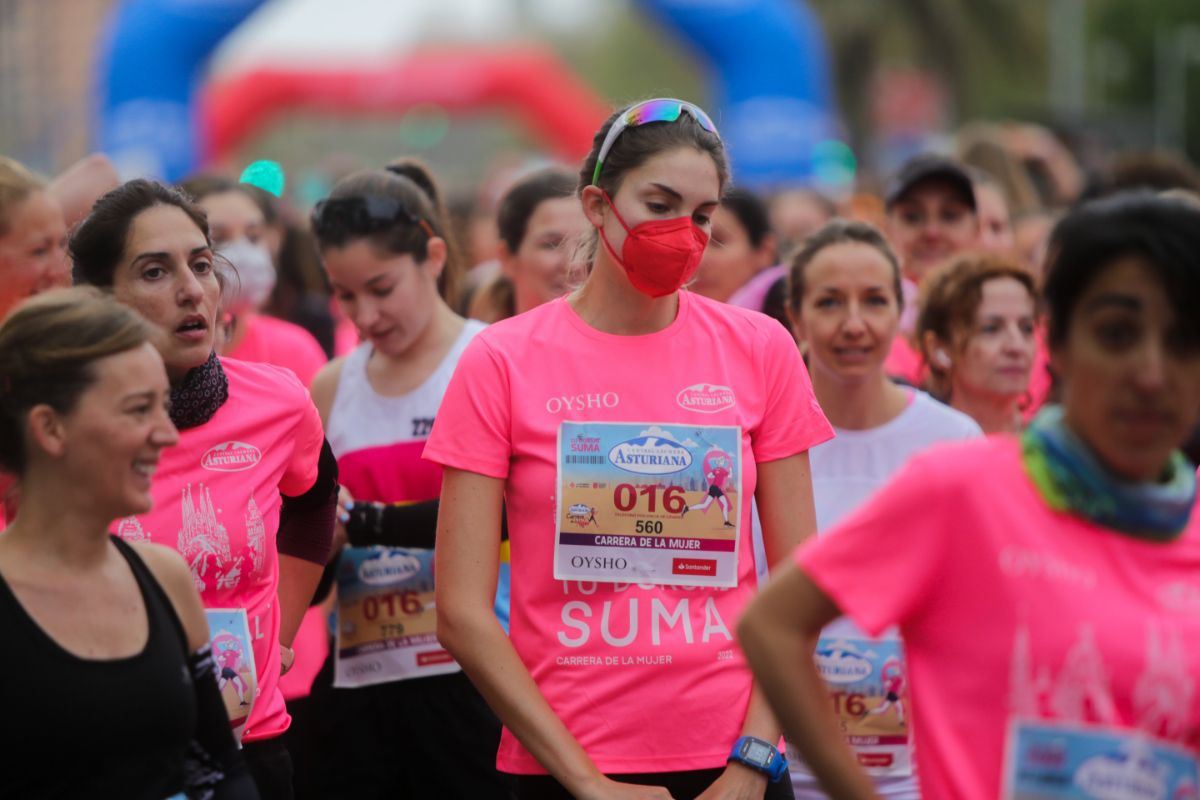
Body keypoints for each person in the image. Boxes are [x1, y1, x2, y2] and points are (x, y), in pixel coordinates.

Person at [425, 97, 833, 799]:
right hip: (567, 765)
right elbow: (460, 611)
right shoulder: (501, 360)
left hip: (735, 761)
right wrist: (586, 781)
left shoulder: (761, 348)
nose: (684, 233)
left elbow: (804, 587)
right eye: (660, 203)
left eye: (703, 216)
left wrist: (755, 758)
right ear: (596, 204)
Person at [739, 192, 1200, 799]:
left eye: (1185, 339)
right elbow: (772, 625)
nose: (1150, 373)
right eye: (1116, 333)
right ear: (1055, 343)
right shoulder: (963, 483)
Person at [71, 179, 338, 800]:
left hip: (253, 746)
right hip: (113, 761)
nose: (193, 290)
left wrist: (284, 634)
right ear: (99, 297)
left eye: (200, 264)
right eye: (155, 272)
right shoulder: (54, 422)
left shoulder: (278, 401)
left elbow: (315, 499)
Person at [298, 163, 509, 798]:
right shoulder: (333, 385)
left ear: (434, 257)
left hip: (479, 683)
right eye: (345, 294)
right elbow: (311, 572)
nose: (365, 314)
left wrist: (361, 522)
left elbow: (514, 518)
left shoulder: (492, 358)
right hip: (363, 682)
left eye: (381, 288)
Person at [0, 287, 257, 798]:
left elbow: (219, 768)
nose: (166, 434)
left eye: (163, 406)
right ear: (49, 428)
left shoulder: (163, 576)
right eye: (139, 410)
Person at [781, 219, 981, 798]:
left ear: (901, 310)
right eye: (828, 302)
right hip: (781, 771)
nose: (854, 324)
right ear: (795, 315)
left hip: (914, 776)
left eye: (874, 300)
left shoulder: (955, 441)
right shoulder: (761, 443)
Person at [180, 175, 328, 387]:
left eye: (253, 236)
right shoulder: (158, 357)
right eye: (219, 239)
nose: (242, 252)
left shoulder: (292, 348)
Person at [882, 154, 980, 385]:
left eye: (950, 215)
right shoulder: (868, 331)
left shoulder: (1016, 321)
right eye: (913, 217)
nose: (932, 232)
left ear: (976, 228)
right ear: (886, 228)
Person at [916, 253, 1039, 433]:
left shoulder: (1054, 449)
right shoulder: (915, 446)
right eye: (991, 329)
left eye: (1026, 328)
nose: (1016, 347)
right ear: (939, 349)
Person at [469, 167, 586, 323]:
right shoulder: (482, 345)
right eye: (551, 244)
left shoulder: (623, 341)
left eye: (586, 244)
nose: (575, 262)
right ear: (507, 257)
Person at [692, 187, 777, 305]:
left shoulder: (790, 319)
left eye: (717, 242)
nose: (699, 260)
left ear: (765, 251)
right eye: (690, 242)